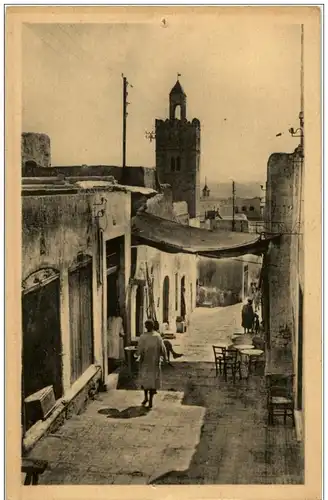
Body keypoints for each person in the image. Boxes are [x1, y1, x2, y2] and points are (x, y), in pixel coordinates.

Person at [137, 319, 167, 409]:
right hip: (154, 363)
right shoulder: (157, 336)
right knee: (152, 381)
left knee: (146, 380)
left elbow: (139, 350)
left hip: (146, 362)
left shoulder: (143, 337)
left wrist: (136, 355)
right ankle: (149, 400)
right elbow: (163, 349)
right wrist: (164, 358)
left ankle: (147, 398)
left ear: (146, 327)